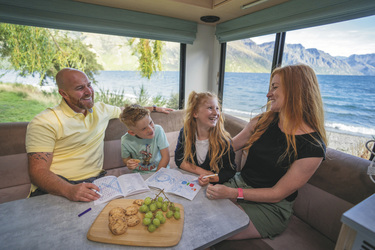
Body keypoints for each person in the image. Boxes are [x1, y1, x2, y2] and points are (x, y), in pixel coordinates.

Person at [206, 64, 327, 239]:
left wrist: (232, 193)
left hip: (270, 206)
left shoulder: (313, 147)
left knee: (211, 229)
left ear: (295, 90)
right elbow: (229, 148)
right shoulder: (263, 122)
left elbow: (277, 194)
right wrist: (199, 139)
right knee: (198, 211)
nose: (268, 94)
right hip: (239, 183)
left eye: (275, 87)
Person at [26, 68, 173, 202]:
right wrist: (69, 190)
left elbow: (128, 113)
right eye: (80, 88)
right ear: (63, 93)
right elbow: (38, 172)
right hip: (59, 187)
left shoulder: (101, 110)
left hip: (96, 182)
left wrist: (154, 108)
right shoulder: (44, 122)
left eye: (89, 85)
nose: (88, 91)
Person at [174, 91, 236, 186]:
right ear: (195, 113)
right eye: (210, 108)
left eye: (217, 108)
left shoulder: (223, 141)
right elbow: (179, 160)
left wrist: (211, 179)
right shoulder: (186, 132)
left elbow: (230, 171)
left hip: (214, 186)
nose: (216, 113)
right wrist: (205, 173)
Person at [120, 104, 170, 173]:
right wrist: (128, 163)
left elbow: (166, 157)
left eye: (150, 123)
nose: (151, 130)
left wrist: (156, 176)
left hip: (160, 171)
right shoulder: (125, 140)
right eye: (144, 128)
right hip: (139, 175)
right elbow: (125, 159)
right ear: (132, 133)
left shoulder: (158, 130)